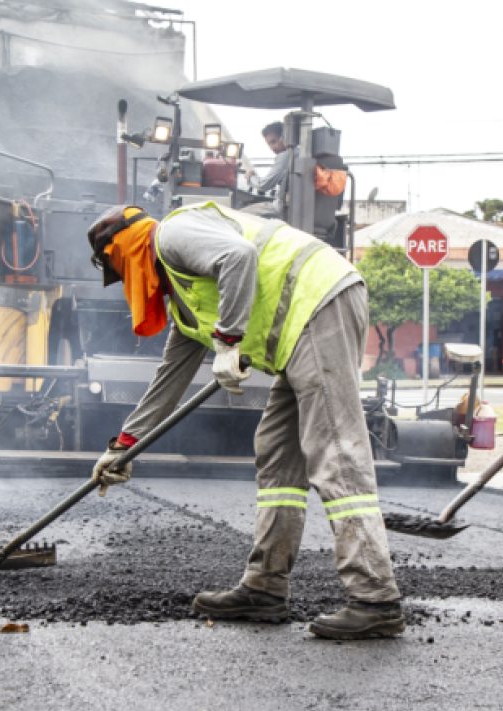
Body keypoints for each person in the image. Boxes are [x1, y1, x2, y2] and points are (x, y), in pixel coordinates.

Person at [86, 202, 404, 640]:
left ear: (121, 252)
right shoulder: (185, 300)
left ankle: (375, 598)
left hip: (318, 301)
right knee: (277, 452)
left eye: (121, 274)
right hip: (301, 329)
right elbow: (170, 378)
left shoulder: (169, 235)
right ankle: (265, 588)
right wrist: (123, 446)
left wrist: (228, 341)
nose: (128, 285)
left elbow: (239, 256)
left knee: (335, 451)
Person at [251, 121, 292, 200]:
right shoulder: (297, 152)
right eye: (269, 144)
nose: (272, 148)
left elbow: (263, 186)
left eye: (273, 142)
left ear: (284, 137)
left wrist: (251, 177)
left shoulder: (285, 156)